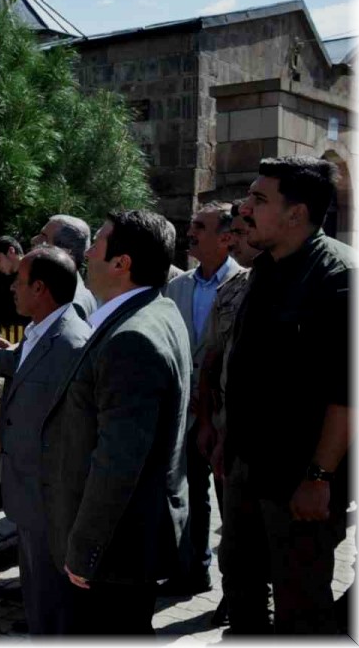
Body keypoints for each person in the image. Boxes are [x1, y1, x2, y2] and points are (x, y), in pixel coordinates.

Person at [40, 210, 191, 635]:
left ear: (122, 263)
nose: (87, 253)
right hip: (128, 542)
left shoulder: (132, 339)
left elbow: (117, 464)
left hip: (115, 551)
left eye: (98, 243)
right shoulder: (157, 309)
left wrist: (85, 551)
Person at [221, 156, 353, 635]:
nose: (245, 210)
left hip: (299, 482)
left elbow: (347, 395)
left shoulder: (339, 278)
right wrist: (226, 444)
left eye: (259, 199)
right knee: (240, 582)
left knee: (300, 603)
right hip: (247, 469)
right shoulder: (265, 269)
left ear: (296, 214)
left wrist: (319, 476)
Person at [0, 246, 91, 634]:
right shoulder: (43, 331)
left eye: (19, 281)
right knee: (38, 595)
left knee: (54, 604)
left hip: (50, 498)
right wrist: (6, 358)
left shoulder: (71, 344)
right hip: (30, 493)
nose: (12, 289)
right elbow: (31, 367)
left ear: (40, 288)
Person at [162, 202, 245, 597]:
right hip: (188, 417)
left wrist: (212, 397)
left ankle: (238, 591)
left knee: (234, 507)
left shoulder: (245, 284)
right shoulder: (176, 286)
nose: (189, 232)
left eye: (200, 226)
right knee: (192, 497)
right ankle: (194, 570)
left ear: (226, 238)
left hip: (228, 417)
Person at [192, 198, 262, 626]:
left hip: (276, 440)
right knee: (234, 529)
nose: (235, 240)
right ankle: (238, 597)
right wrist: (207, 424)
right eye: (232, 232)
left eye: (241, 231)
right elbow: (211, 361)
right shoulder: (231, 291)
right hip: (226, 431)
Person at [31, 215, 98, 320]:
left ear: (65, 252)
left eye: (44, 237)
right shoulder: (65, 292)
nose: (34, 240)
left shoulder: (72, 303)